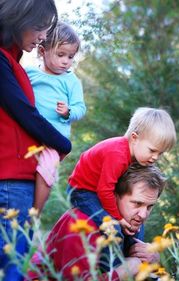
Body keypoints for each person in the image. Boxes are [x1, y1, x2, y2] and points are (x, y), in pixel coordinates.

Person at [0, 0, 72, 280]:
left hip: (15, 182)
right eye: (40, 27)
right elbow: (24, 113)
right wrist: (63, 143)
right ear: (18, 19)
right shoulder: (2, 60)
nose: (43, 35)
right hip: (10, 182)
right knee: (13, 270)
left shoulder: (11, 61)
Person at [27, 163, 165, 281]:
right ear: (114, 195)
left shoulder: (132, 222)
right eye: (137, 203)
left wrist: (153, 259)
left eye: (149, 206)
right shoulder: (81, 223)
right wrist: (123, 271)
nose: (143, 214)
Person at [68, 107, 176, 235]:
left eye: (160, 153)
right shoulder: (117, 155)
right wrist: (118, 218)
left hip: (100, 189)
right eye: (152, 150)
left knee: (135, 226)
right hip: (82, 191)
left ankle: (135, 249)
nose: (155, 157)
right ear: (134, 138)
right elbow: (104, 190)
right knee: (113, 229)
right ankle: (112, 255)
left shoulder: (136, 156)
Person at [25, 21, 86, 213]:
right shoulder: (30, 74)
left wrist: (68, 112)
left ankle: (36, 211)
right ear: (42, 51)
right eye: (61, 55)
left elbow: (80, 108)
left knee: (46, 171)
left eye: (70, 56)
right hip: (30, 133)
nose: (66, 61)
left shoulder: (71, 80)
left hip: (54, 139)